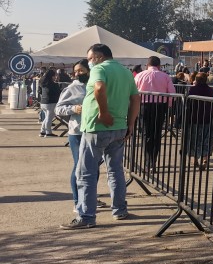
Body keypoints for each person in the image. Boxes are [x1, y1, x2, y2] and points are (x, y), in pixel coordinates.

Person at [61, 44, 140, 229]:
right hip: (120, 126)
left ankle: (86, 216)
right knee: (115, 170)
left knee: (85, 172)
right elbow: (135, 98)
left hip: (96, 127)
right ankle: (119, 209)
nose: (89, 62)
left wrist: (103, 112)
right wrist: (131, 123)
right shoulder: (125, 72)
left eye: (89, 58)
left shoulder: (99, 69)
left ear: (97, 56)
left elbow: (98, 87)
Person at [56, 60, 95, 212]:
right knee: (79, 167)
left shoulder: (96, 84)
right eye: (76, 71)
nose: (78, 73)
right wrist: (74, 108)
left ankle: (89, 197)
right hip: (77, 132)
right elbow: (59, 109)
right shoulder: (72, 88)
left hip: (94, 131)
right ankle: (77, 201)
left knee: (93, 168)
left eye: (81, 70)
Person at [134, 56, 177, 170]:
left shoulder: (139, 75)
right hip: (160, 106)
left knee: (145, 133)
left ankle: (148, 162)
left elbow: (133, 92)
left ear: (147, 65)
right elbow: (172, 93)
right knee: (157, 134)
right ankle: (153, 160)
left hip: (144, 106)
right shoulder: (165, 76)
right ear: (159, 65)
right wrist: (168, 105)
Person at [186, 72, 213, 170]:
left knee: (194, 139)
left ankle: (194, 160)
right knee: (206, 139)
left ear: (196, 80)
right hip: (207, 117)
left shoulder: (192, 89)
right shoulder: (210, 90)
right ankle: (205, 158)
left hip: (194, 118)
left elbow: (188, 103)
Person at [38, 68, 61, 137]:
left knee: (46, 117)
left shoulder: (42, 82)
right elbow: (58, 93)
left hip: (43, 102)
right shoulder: (53, 84)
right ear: (52, 76)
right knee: (49, 118)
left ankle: (42, 131)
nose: (55, 77)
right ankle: (48, 132)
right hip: (51, 102)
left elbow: (39, 91)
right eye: (54, 76)